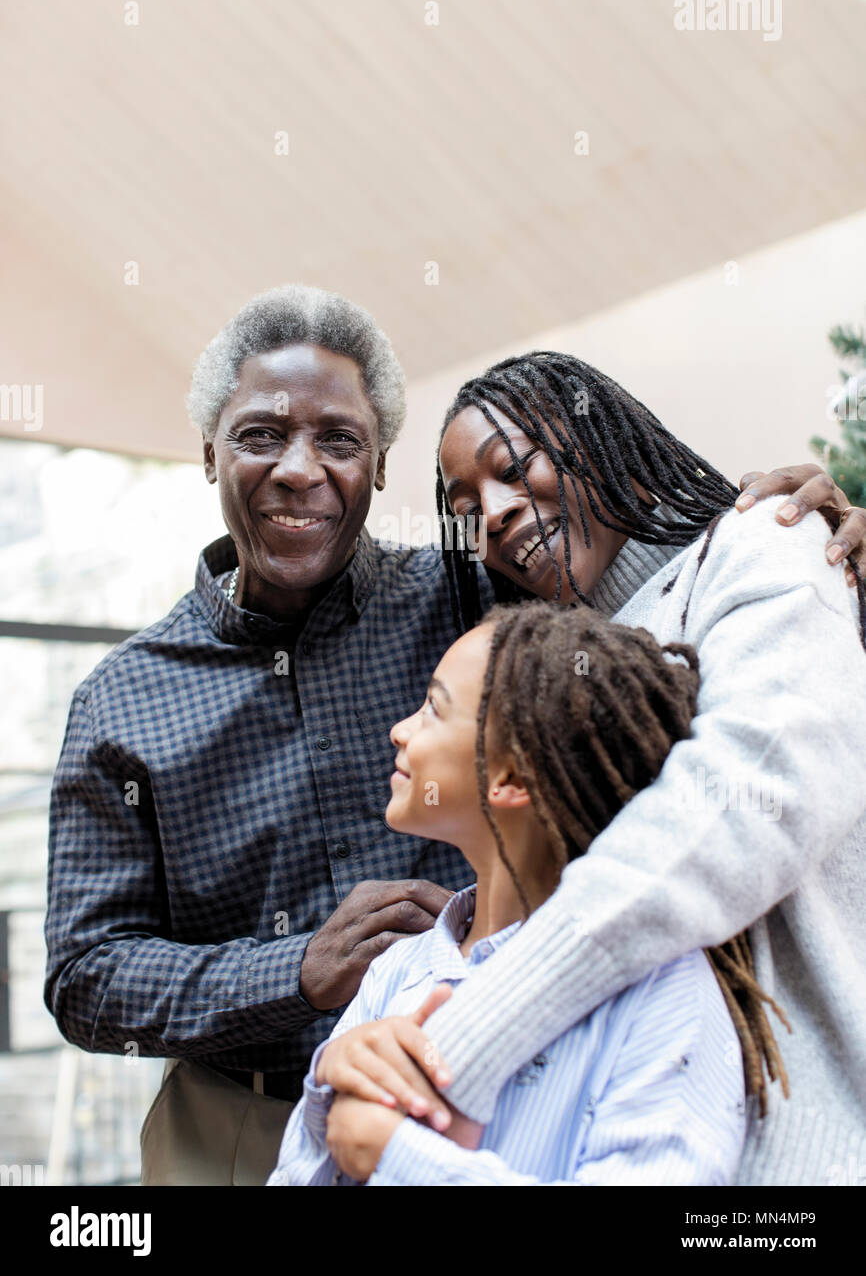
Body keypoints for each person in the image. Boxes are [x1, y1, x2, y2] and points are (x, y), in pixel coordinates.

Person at [42, 285, 865, 1186]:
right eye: (262, 435)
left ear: (382, 465)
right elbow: (87, 972)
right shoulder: (122, 699)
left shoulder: (485, 601)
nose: (298, 469)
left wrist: (822, 548)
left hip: (497, 1099)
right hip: (235, 1127)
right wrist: (294, 972)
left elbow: (648, 604)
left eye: (340, 441)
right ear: (209, 452)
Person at [309, 351, 866, 1187]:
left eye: (514, 467)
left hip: (797, 1155)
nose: (492, 514)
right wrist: (356, 1062)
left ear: (598, 435)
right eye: (464, 509)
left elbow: (750, 802)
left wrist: (452, 1048)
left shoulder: (760, 546)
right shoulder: (542, 674)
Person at [269, 603, 788, 1185]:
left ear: (512, 778)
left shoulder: (663, 992)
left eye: (433, 709)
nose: (401, 729)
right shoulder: (397, 968)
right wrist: (330, 1090)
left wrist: (402, 1160)